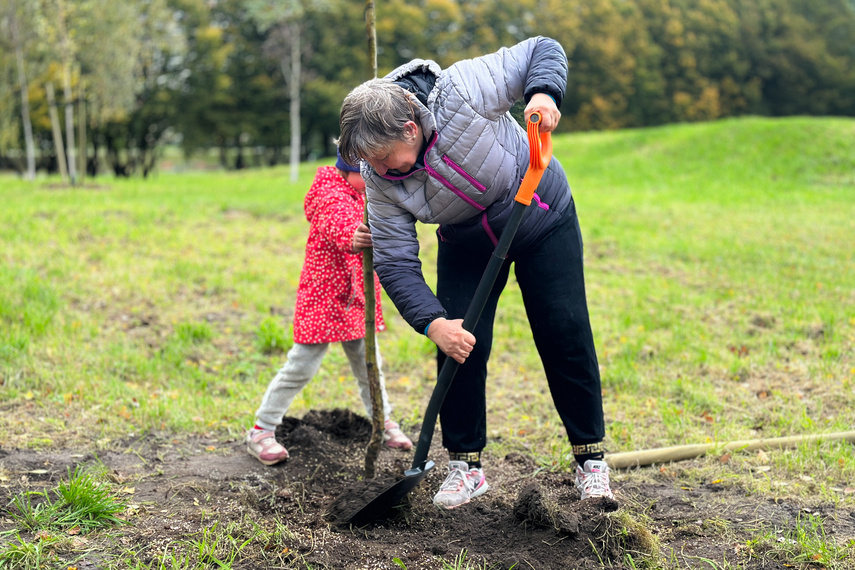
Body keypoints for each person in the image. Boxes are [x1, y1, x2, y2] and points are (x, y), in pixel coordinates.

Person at [338, 36, 613, 508]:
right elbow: (395, 260)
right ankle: (465, 465)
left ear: (410, 128)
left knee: (563, 329)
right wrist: (433, 323)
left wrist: (543, 94)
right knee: (458, 344)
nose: (378, 170)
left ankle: (590, 459)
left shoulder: (461, 90)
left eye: (383, 158)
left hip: (541, 214)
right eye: (370, 163)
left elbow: (541, 50)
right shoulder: (381, 181)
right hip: (467, 240)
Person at [245, 151, 413, 466]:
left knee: (369, 365)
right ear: (350, 168)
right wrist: (354, 235)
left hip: (356, 300)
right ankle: (261, 430)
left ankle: (383, 421)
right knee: (301, 366)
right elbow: (336, 221)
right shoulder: (329, 191)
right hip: (323, 299)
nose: (378, 175)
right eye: (370, 170)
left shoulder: (367, 191)